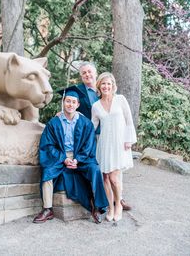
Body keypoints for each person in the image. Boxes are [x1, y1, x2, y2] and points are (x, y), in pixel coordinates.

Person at [33, 86, 108, 224]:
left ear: (78, 104)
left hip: (81, 156)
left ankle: (97, 206)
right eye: (68, 101)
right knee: (47, 172)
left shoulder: (85, 123)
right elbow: (47, 146)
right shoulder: (54, 123)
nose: (70, 104)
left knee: (95, 169)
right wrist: (64, 159)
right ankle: (47, 209)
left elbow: (89, 145)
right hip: (60, 156)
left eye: (74, 102)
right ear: (63, 102)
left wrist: (77, 160)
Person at [76, 61, 132, 211]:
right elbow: (74, 109)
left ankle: (119, 199)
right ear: (81, 76)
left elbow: (127, 119)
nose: (87, 75)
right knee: (104, 171)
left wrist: (129, 139)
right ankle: (106, 199)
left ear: (95, 73)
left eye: (89, 71)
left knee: (116, 170)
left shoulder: (109, 89)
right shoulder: (79, 92)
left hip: (116, 135)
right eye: (84, 73)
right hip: (97, 137)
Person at [91, 72, 137, 222]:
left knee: (114, 178)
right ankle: (110, 207)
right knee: (105, 177)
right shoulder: (96, 106)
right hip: (105, 144)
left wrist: (129, 140)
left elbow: (129, 121)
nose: (106, 86)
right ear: (99, 86)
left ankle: (119, 205)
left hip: (120, 143)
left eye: (108, 84)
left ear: (113, 86)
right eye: (103, 84)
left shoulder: (120, 99)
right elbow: (91, 126)